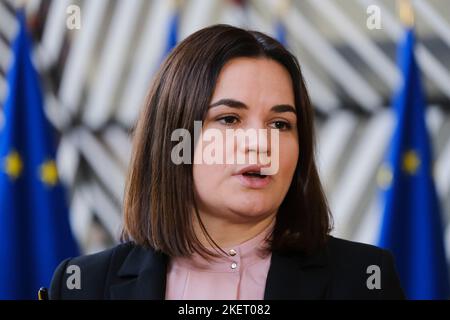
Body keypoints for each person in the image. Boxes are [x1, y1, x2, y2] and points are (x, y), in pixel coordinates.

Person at [49, 24, 405, 300]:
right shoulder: (82, 286)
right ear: (176, 140)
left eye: (280, 124)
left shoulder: (363, 279)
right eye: (229, 119)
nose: (259, 143)